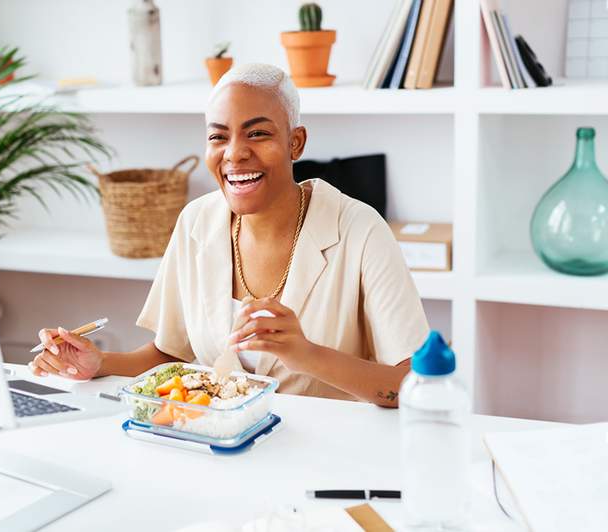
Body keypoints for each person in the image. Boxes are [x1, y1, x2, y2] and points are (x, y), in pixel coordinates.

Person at [29, 63, 429, 407]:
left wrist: (305, 354)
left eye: (257, 134)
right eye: (218, 136)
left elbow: (410, 387)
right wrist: (99, 363)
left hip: (324, 459)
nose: (234, 153)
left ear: (295, 142)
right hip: (222, 447)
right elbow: (171, 354)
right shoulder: (195, 222)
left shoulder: (361, 231)